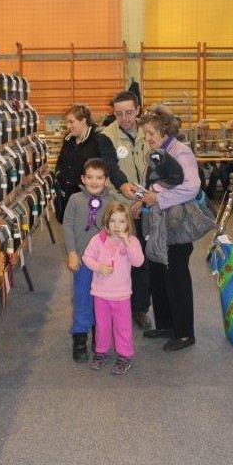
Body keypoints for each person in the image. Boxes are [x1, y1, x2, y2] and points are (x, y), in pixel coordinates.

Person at [136, 105, 201, 351]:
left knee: (176, 277)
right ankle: (165, 325)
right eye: (145, 133)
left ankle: (184, 334)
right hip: (156, 224)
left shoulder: (181, 151)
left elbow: (192, 187)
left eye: (151, 133)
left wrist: (158, 199)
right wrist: (141, 199)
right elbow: (154, 184)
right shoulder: (158, 152)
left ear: (164, 131)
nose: (147, 137)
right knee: (158, 275)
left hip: (176, 226)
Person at [97, 90, 152, 330]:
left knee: (142, 260)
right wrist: (124, 187)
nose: (125, 118)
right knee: (118, 258)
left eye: (129, 112)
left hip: (148, 203)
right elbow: (111, 166)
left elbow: (155, 165)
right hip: (120, 206)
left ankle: (140, 308)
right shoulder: (106, 136)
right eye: (118, 114)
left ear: (138, 109)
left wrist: (143, 199)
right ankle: (116, 304)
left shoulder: (149, 131)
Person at [82, 201, 144, 375]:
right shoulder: (97, 240)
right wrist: (98, 267)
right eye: (113, 221)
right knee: (102, 326)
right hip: (100, 293)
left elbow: (138, 261)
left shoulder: (131, 241)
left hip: (121, 295)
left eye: (122, 221)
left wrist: (127, 242)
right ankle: (101, 351)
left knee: (122, 327)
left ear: (128, 223)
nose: (117, 226)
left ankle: (125, 355)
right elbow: (87, 257)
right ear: (106, 222)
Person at [62, 158, 114, 363]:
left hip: (104, 264)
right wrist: (72, 252)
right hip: (82, 261)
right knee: (83, 299)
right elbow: (67, 226)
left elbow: (118, 227)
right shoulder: (75, 199)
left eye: (99, 178)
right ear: (83, 179)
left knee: (102, 301)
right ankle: (80, 340)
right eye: (90, 177)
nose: (94, 182)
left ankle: (99, 337)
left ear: (106, 180)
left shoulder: (112, 201)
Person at [53, 103, 101, 223]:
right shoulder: (68, 139)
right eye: (67, 122)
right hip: (66, 194)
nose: (68, 126)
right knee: (68, 226)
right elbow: (61, 160)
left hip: (87, 197)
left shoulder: (97, 139)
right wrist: (59, 175)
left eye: (71, 122)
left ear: (83, 120)